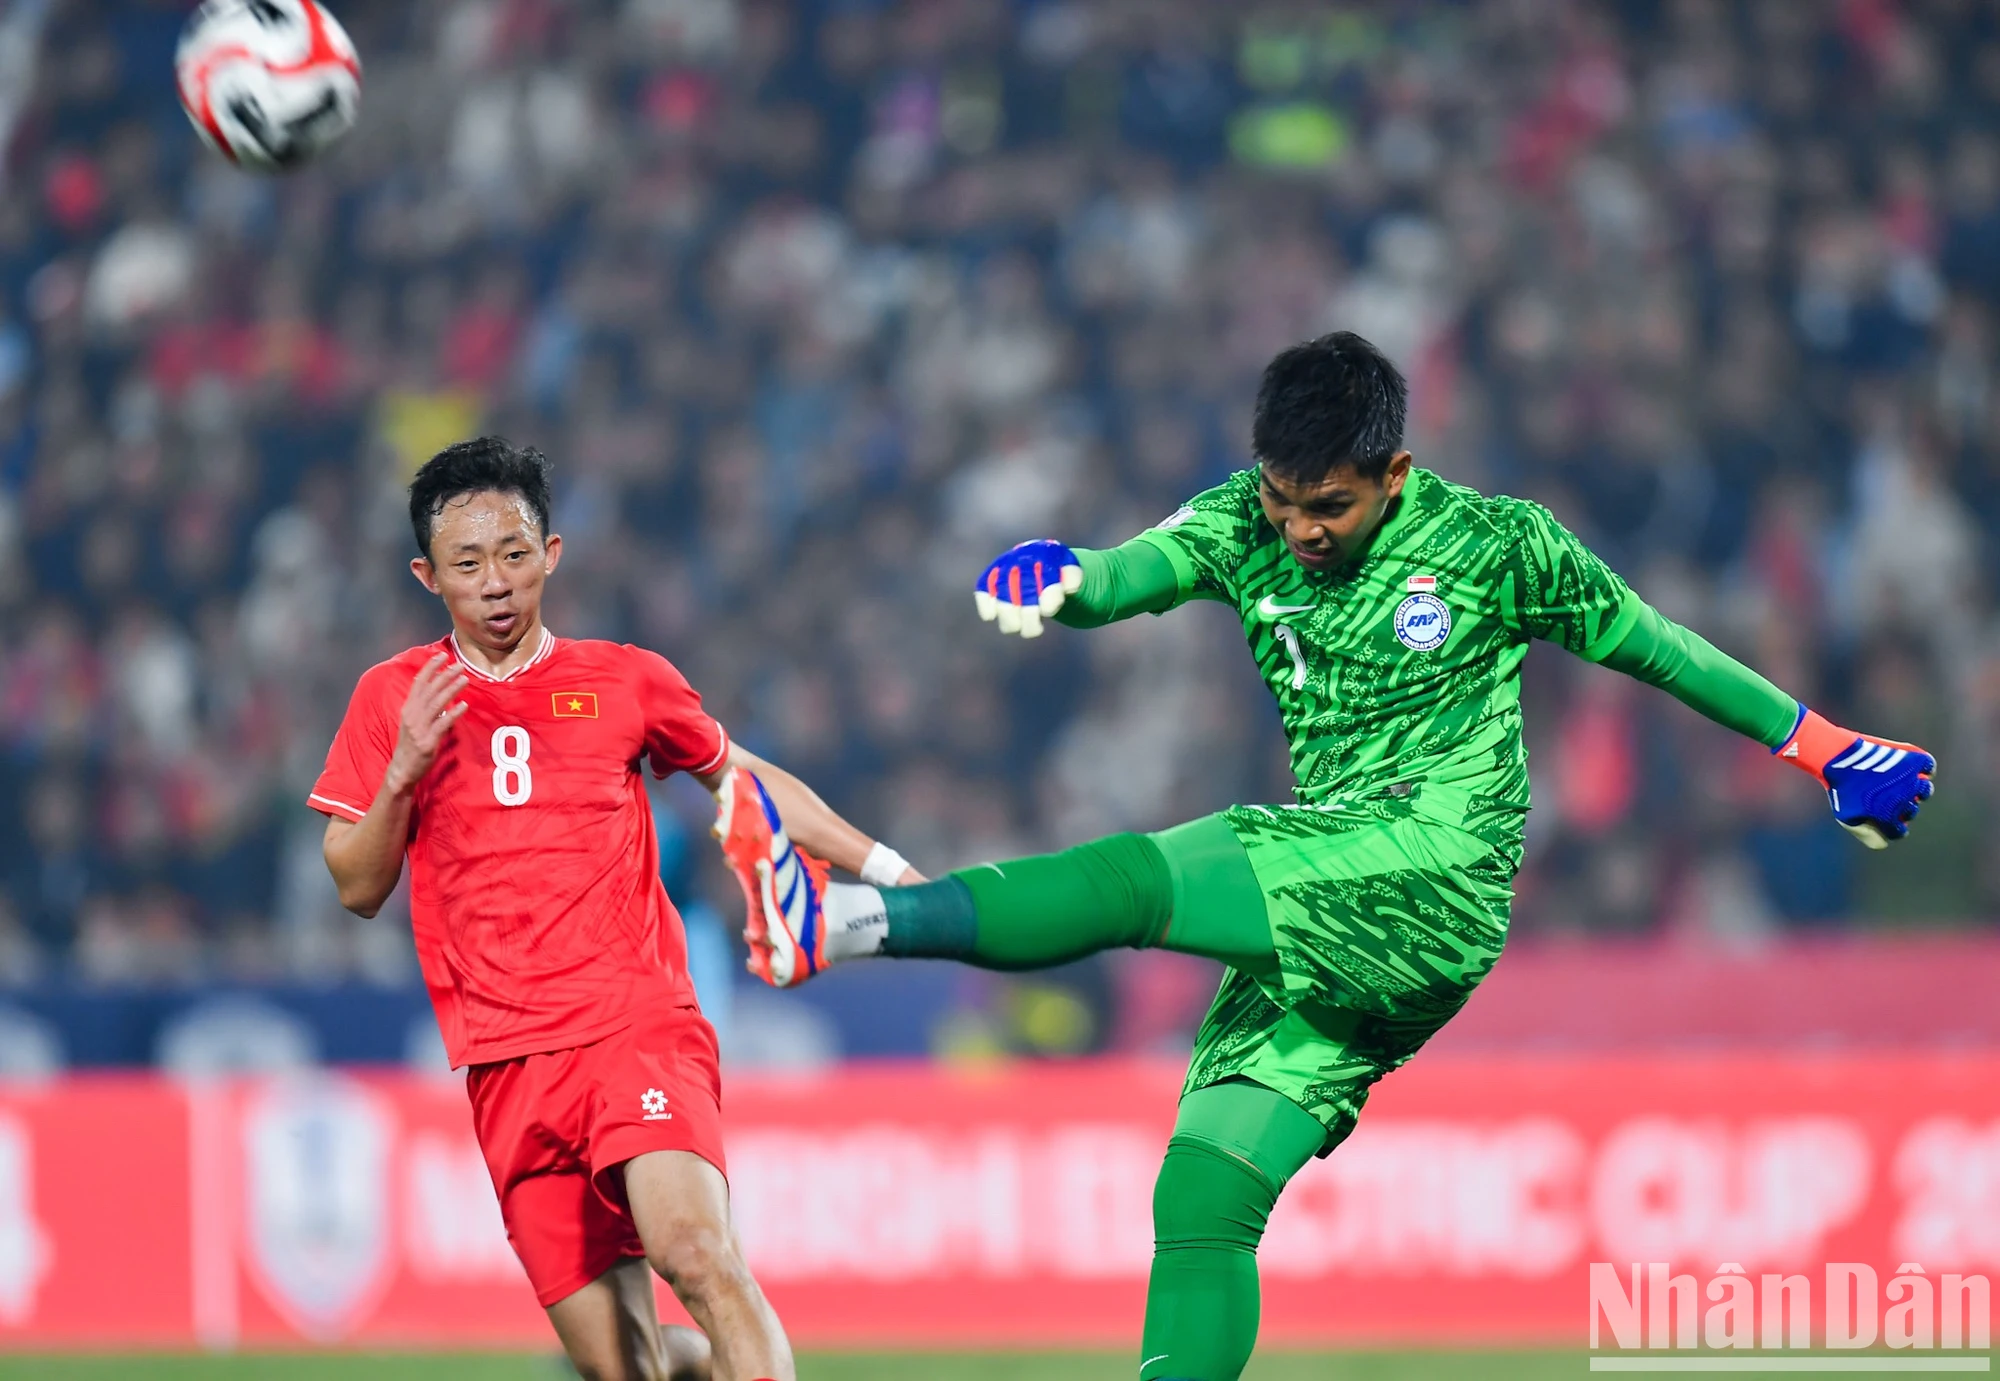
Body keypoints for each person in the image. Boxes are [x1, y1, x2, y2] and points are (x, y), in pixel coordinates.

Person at [718, 333, 1938, 1381]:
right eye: (1283, 498)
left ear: (1394, 473)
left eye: (1330, 506)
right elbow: (1130, 572)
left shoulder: (1496, 544)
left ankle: (844, 926)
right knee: (1200, 1198)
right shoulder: (1245, 521)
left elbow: (1662, 650)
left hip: (1432, 870)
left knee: (1149, 879)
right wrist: (1065, 579)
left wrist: (1826, 748)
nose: (1299, 529)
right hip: (1338, 912)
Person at [309, 437, 919, 1381]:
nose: (497, 582)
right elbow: (355, 885)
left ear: (552, 553)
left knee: (698, 1256)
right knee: (624, 1368)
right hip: (502, 1060)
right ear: (429, 576)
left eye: (514, 553)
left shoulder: (626, 679)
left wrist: (886, 866)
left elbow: (743, 783)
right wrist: (401, 775)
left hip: (632, 1025)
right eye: (468, 564)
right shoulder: (393, 697)